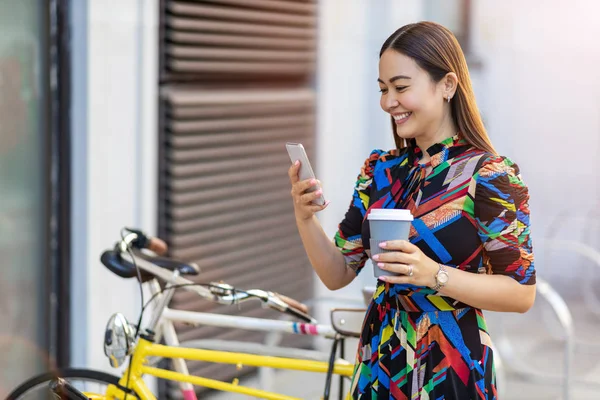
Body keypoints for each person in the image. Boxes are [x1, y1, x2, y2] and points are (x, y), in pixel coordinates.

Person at [288, 21, 536, 399]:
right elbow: (338, 273)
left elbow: (521, 294)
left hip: (451, 368)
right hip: (380, 362)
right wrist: (305, 217)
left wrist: (433, 274)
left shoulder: (487, 175)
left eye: (401, 87)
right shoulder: (381, 171)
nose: (389, 102)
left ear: (448, 85)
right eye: (383, 89)